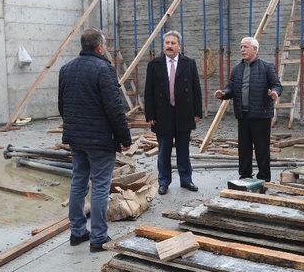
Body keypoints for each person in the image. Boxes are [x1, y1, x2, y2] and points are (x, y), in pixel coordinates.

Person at [58, 28, 131, 252]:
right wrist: (124, 137)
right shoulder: (104, 69)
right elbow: (115, 108)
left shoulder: (66, 69)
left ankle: (77, 232)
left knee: (78, 183)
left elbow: (62, 106)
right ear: (100, 47)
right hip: (100, 140)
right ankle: (98, 237)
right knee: (100, 186)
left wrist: (74, 128)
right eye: (105, 45)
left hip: (77, 139)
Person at [214, 37, 281, 181]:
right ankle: (245, 175)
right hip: (242, 115)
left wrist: (275, 92)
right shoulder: (237, 69)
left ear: (255, 49)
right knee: (244, 149)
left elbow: (277, 84)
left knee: (262, 149)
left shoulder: (266, 67)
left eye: (245, 47)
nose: (242, 50)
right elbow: (231, 87)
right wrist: (224, 93)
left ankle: (263, 177)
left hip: (261, 116)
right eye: (241, 47)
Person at [144, 30, 203, 195]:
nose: (169, 46)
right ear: (164, 45)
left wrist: (197, 112)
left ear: (179, 46)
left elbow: (196, 89)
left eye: (173, 43)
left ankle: (186, 180)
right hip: (163, 115)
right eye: (167, 43)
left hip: (184, 113)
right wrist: (150, 115)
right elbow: (148, 92)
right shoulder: (154, 65)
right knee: (164, 151)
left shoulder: (189, 63)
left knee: (183, 150)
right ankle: (163, 181)